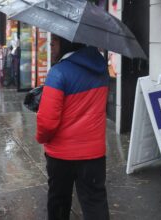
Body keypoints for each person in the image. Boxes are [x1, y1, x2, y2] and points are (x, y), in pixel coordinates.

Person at [36, 36, 110, 220]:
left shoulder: (58, 72)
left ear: (66, 43)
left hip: (62, 155)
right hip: (94, 154)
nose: (50, 47)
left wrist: (41, 137)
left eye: (54, 43)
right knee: (95, 203)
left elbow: (47, 122)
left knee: (59, 203)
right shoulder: (101, 69)